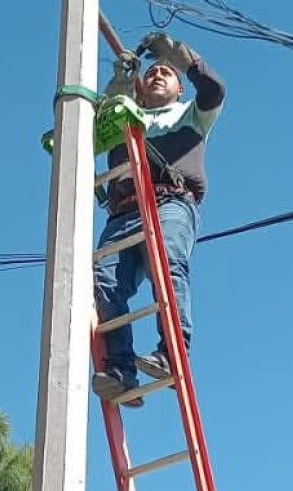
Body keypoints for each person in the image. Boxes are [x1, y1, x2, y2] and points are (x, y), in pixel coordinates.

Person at [91, 32, 225, 407]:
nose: (157, 74)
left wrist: (179, 56)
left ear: (180, 90)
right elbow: (102, 109)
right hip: (122, 212)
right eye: (151, 73)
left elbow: (214, 88)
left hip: (169, 202)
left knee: (165, 261)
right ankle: (119, 369)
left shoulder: (190, 115)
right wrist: (120, 79)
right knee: (104, 281)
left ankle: (172, 353)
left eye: (167, 73)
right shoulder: (122, 122)